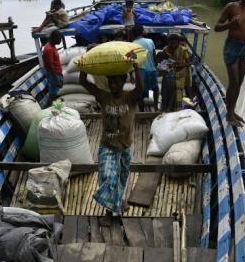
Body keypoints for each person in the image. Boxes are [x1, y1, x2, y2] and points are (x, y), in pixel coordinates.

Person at [79, 59, 143, 226]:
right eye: (110, 81)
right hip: (107, 146)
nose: (113, 84)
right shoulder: (103, 96)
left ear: (124, 81)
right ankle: (110, 213)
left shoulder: (130, 97)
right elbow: (82, 82)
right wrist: (84, 66)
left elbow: (141, 89)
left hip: (125, 146)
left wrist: (136, 68)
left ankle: (120, 202)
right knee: (109, 178)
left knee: (122, 178)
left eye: (116, 81)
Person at [131, 25, 158, 111]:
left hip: (141, 71)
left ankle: (141, 113)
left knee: (140, 93)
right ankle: (156, 108)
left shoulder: (132, 44)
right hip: (152, 69)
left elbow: (133, 60)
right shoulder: (150, 41)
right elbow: (154, 56)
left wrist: (132, 74)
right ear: (142, 32)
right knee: (156, 89)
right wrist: (156, 67)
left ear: (133, 34)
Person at [161, 33, 190, 112]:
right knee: (166, 91)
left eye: (174, 42)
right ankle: (165, 107)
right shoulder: (165, 49)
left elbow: (188, 63)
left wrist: (178, 65)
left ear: (178, 42)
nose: (172, 45)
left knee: (177, 91)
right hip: (169, 73)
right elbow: (162, 61)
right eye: (170, 42)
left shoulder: (183, 50)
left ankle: (176, 109)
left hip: (180, 73)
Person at [42, 30, 64, 101]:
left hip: (57, 73)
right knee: (53, 94)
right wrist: (56, 79)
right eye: (59, 39)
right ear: (55, 38)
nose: (60, 41)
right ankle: (50, 107)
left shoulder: (52, 46)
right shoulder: (49, 49)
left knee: (55, 93)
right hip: (54, 75)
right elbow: (51, 66)